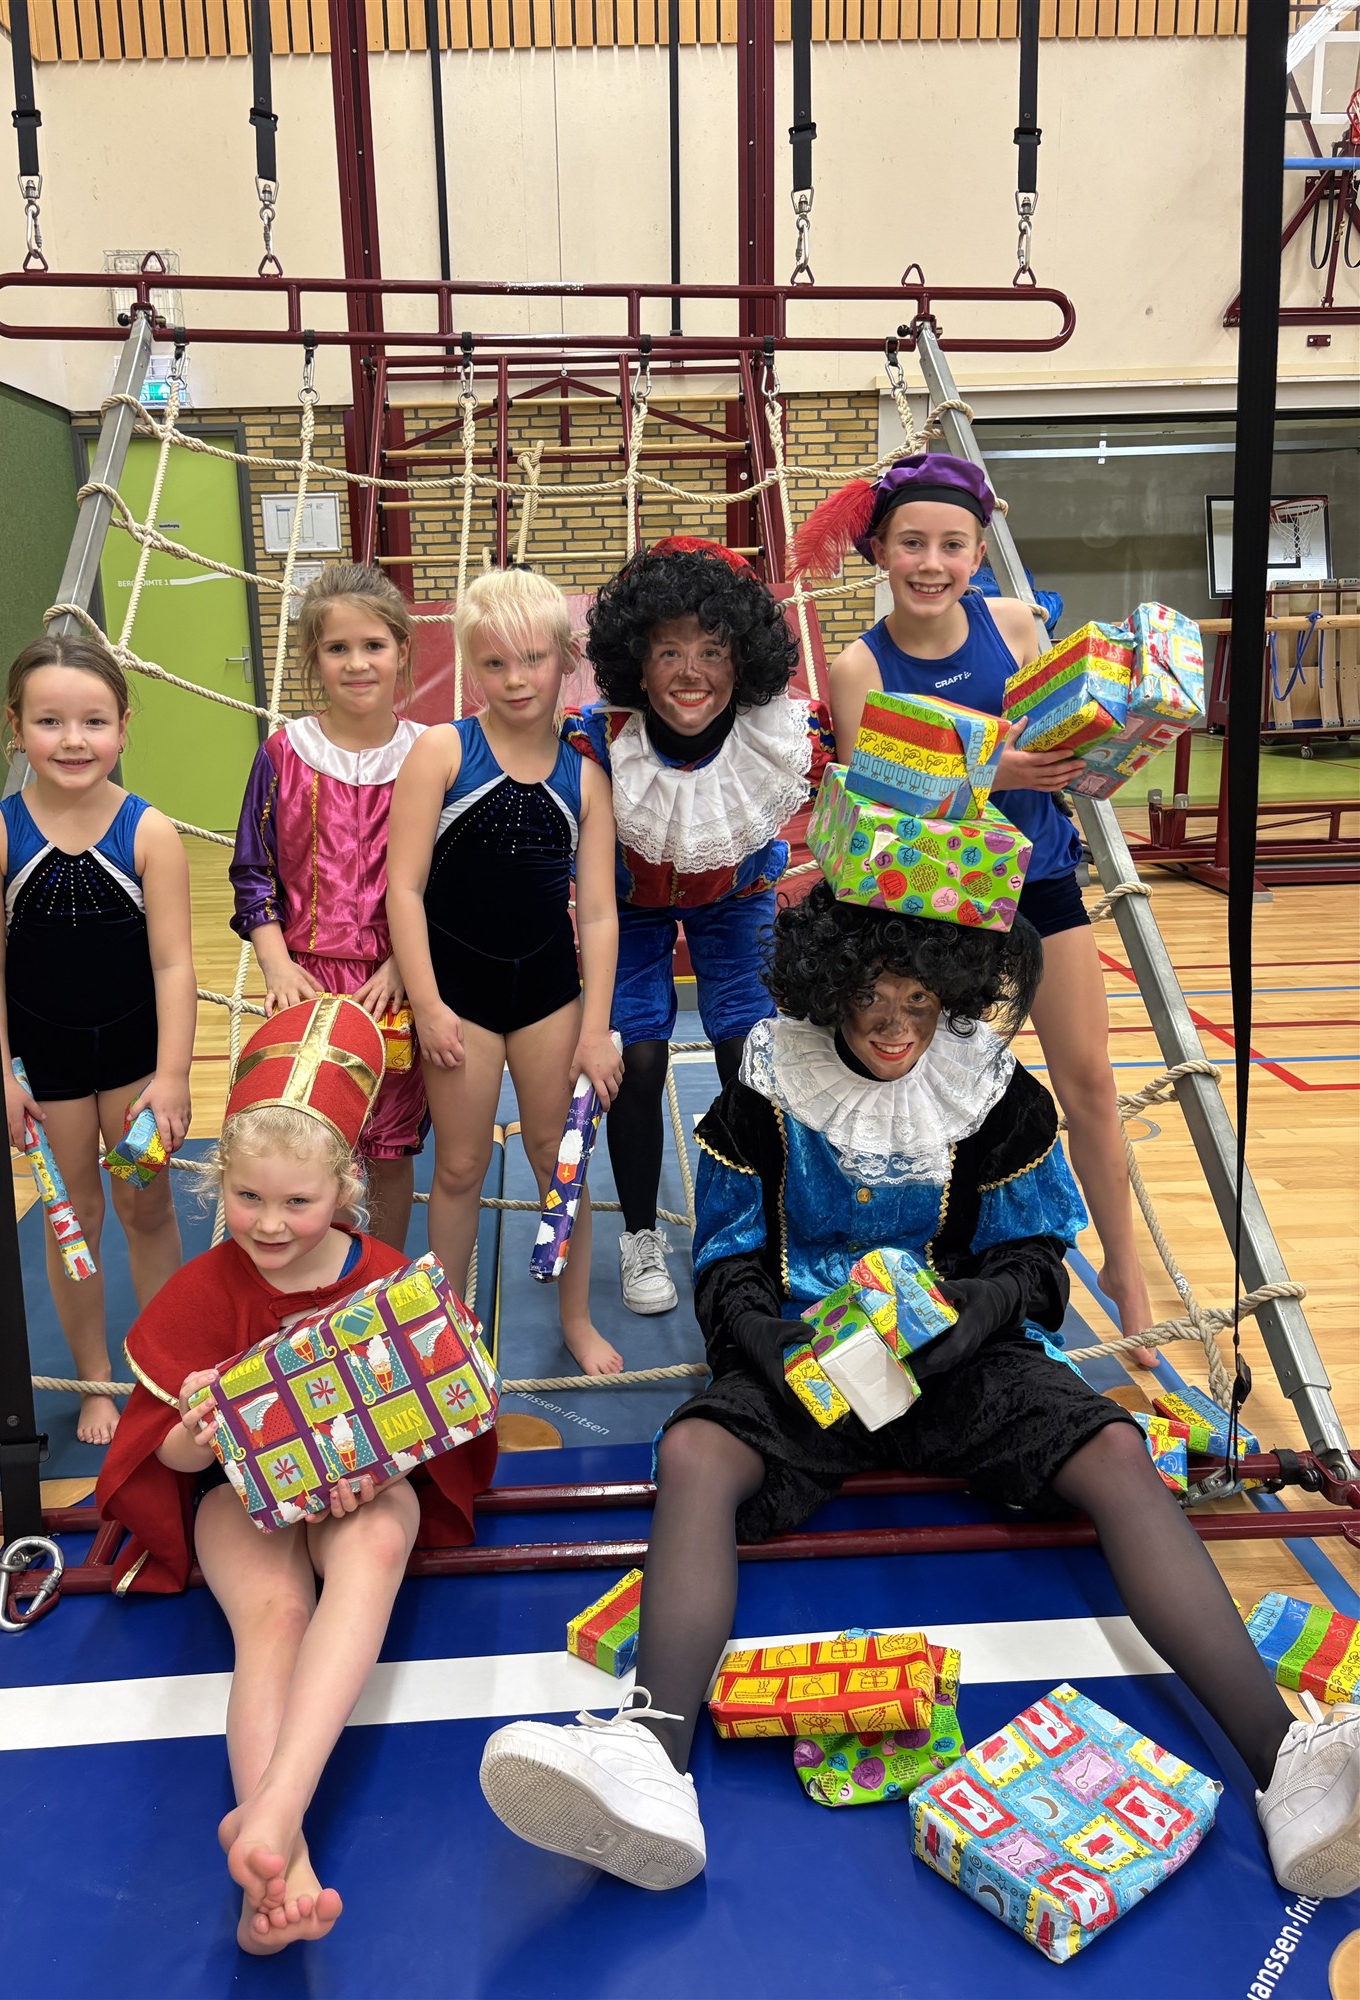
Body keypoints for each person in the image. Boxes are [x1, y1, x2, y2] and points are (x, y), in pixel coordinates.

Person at [477, 887, 1360, 1903]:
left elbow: (1036, 1261)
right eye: (870, 1000)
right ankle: (651, 1758)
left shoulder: (994, 1092)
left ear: (952, 994)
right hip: (809, 1361)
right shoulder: (766, 1084)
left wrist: (979, 1310)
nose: (895, 1028)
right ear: (827, 991)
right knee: (693, 1451)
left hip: (961, 1362)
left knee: (1116, 1448)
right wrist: (770, 1336)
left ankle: (1287, 1763)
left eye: (920, 1003)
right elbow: (729, 1263)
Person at [96, 995, 497, 1955]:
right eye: (248, 1199)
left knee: (378, 1539)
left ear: (346, 1189)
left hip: (359, 1490)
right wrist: (200, 1431)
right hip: (238, 1499)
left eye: (297, 1204)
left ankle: (272, 1814)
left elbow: (433, 1420)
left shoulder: (386, 1276)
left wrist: (383, 1463)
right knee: (274, 1616)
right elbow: (163, 1457)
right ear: (219, 1183)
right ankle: (283, 1863)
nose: (269, 1225)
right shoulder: (204, 1289)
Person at [807, 453, 1155, 1362]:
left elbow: (1067, 733)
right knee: (916, 1093)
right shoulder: (858, 666)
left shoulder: (1015, 623)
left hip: (1038, 879)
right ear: (879, 551)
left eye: (953, 546)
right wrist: (1000, 769)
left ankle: (1126, 1271)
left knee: (1089, 1078)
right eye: (913, 544)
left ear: (976, 552)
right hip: (934, 900)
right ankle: (896, 1260)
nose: (932, 564)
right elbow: (883, 803)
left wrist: (1112, 742)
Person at [567, 538, 833, 1318]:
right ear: (636, 662)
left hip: (735, 895)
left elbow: (875, 774)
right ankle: (640, 1234)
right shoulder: (597, 738)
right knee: (636, 1055)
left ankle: (755, 1219)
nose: (691, 673)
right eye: (669, 652)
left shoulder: (786, 733)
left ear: (743, 660)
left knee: (749, 1048)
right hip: (629, 905)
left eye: (713, 651)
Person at [387, 567, 624, 1376]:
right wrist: (427, 1003)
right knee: (458, 1166)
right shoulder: (443, 751)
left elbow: (597, 914)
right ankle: (446, 1328)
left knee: (561, 1160)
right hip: (459, 993)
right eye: (495, 663)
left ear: (566, 659)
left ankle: (575, 1317)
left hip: (548, 993)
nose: (516, 679)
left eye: (532, 659)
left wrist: (596, 1030)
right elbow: (404, 888)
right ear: (470, 667)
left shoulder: (583, 777)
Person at [0, 634, 194, 1446]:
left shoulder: (149, 832)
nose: (73, 740)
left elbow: (174, 965)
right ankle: (97, 1378)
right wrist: (1, 1073)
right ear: (15, 727)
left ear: (123, 727)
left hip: (134, 1067)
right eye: (50, 722)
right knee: (73, 1216)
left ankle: (164, 1368)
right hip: (51, 1071)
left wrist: (172, 1075)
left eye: (94, 722)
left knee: (147, 1208)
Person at [230, 562, 429, 1251]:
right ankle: (311, 1280)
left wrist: (404, 965)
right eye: (338, 648)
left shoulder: (430, 753)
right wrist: (276, 964)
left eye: (373, 645)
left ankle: (383, 1272)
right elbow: (252, 870)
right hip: (306, 983)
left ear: (402, 650)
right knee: (306, 1147)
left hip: (394, 984)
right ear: (314, 657)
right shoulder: (283, 753)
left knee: (389, 1149)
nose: (357, 663)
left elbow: (442, 881)